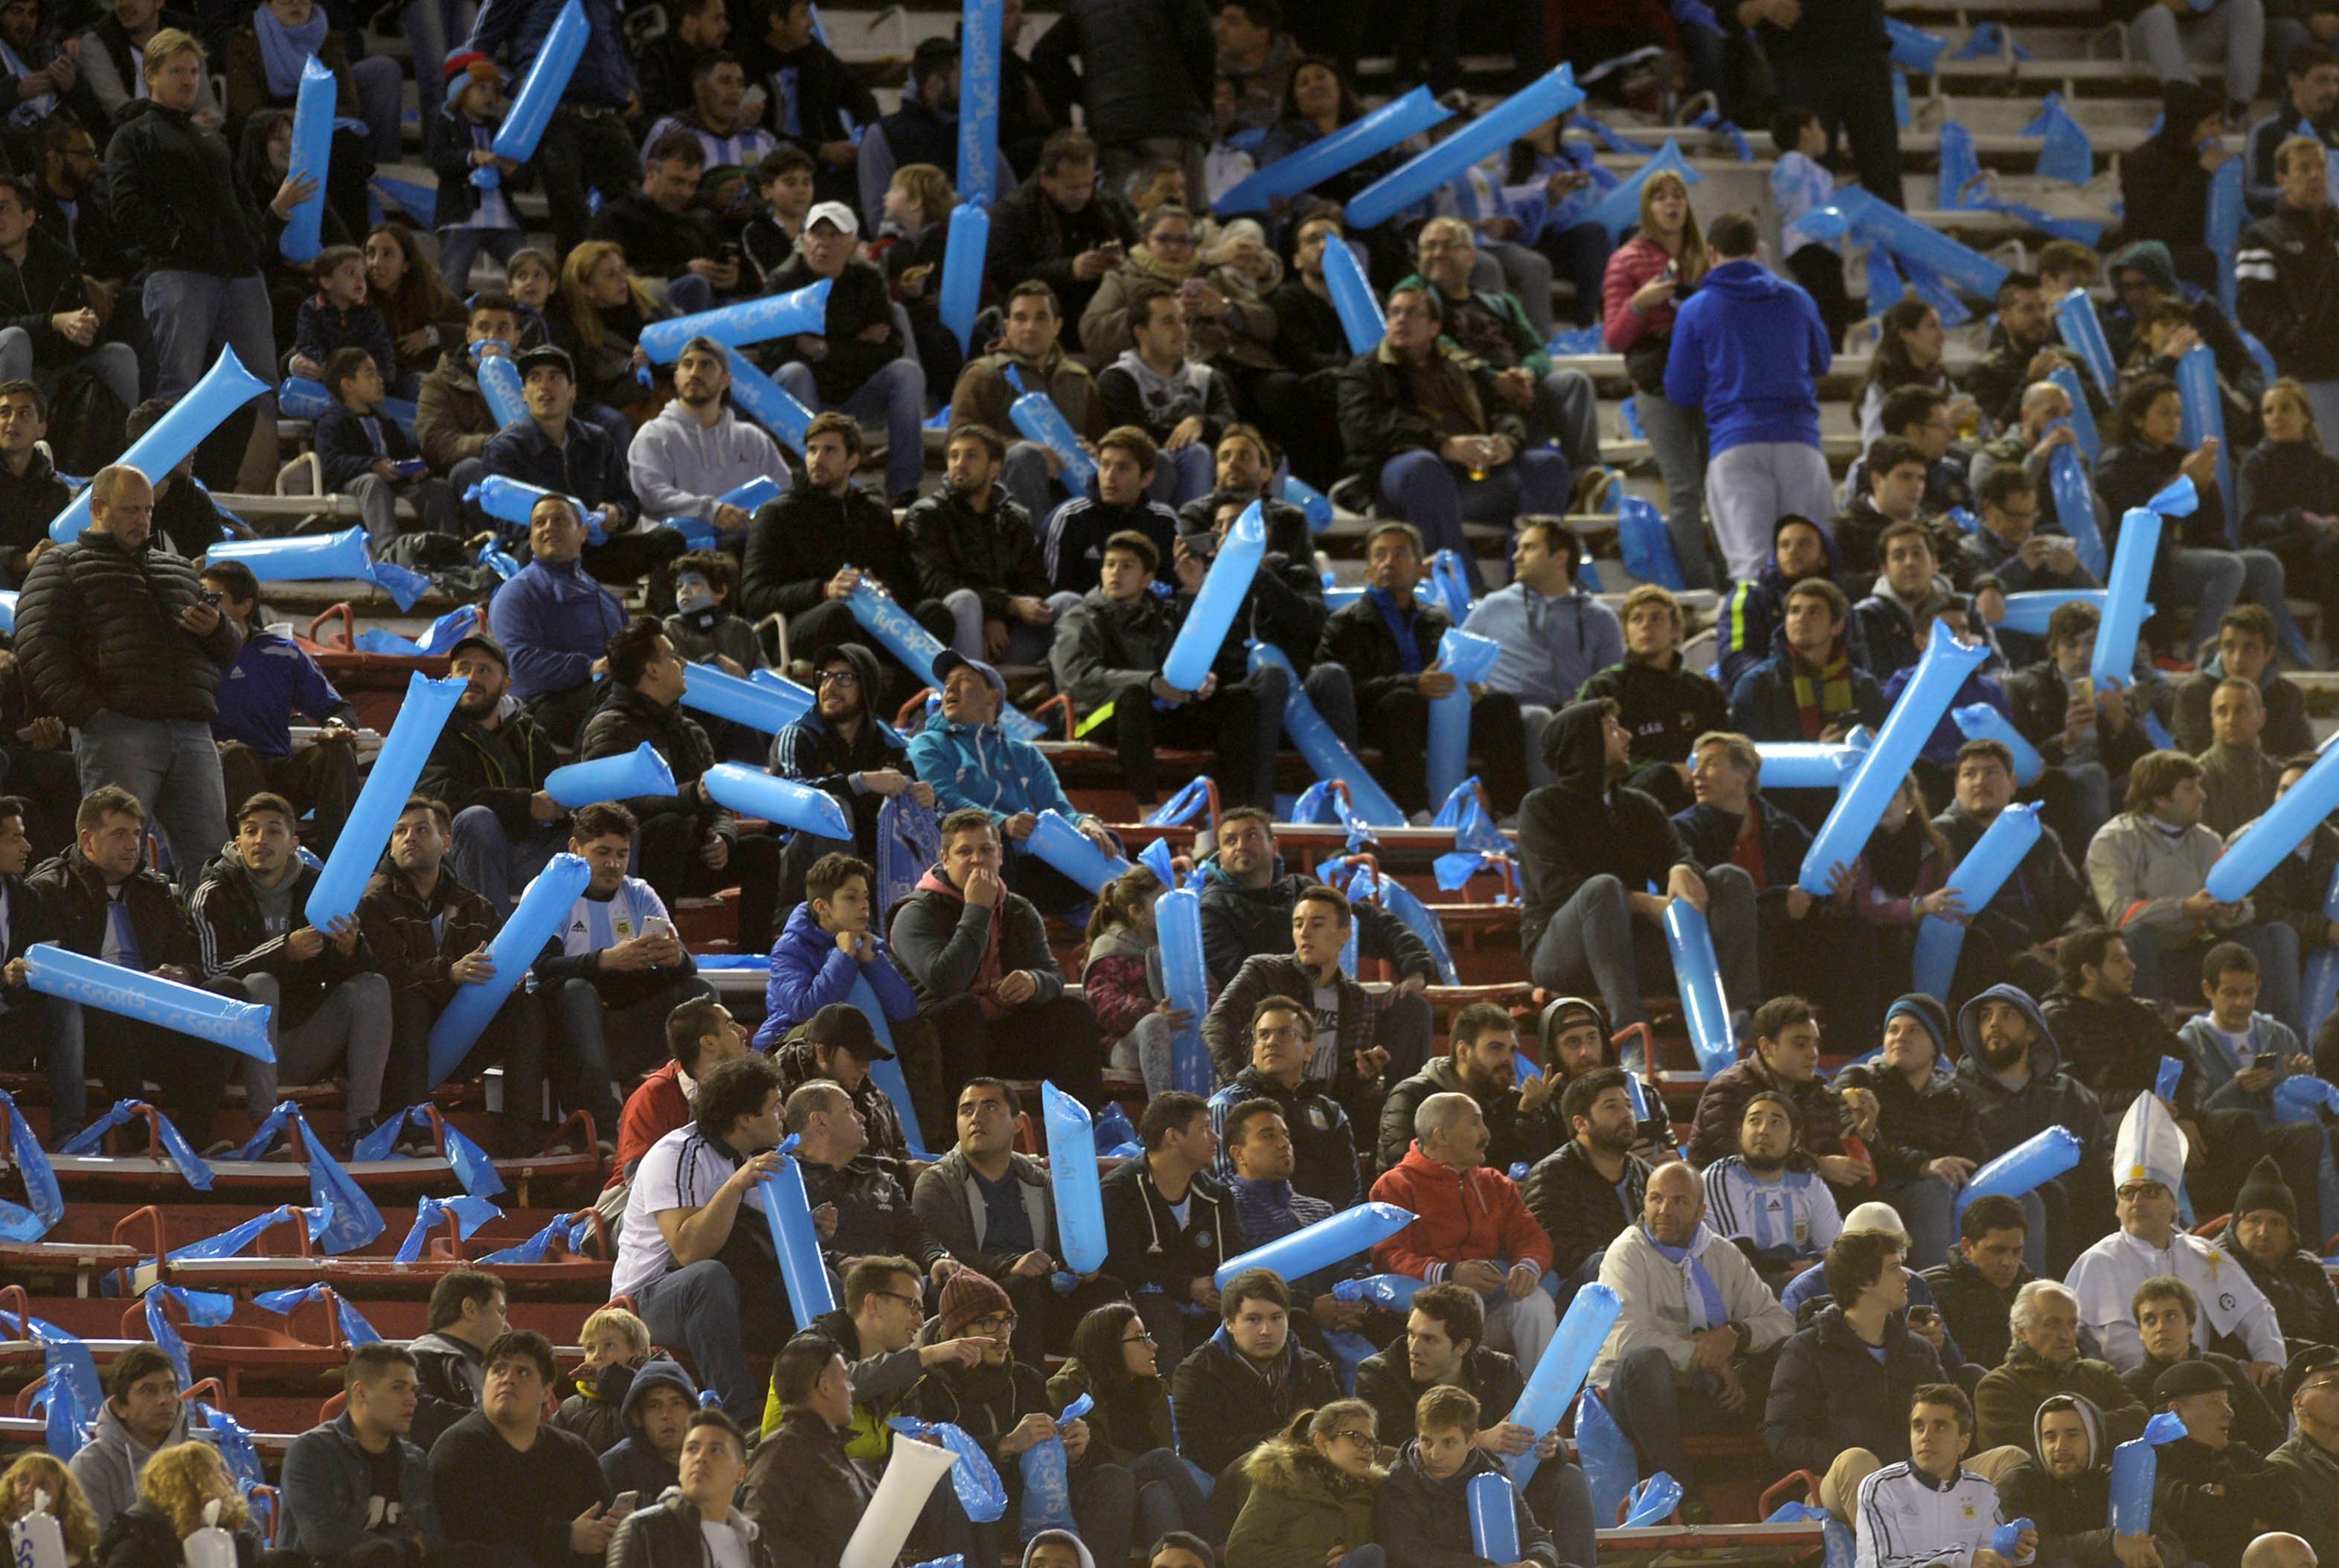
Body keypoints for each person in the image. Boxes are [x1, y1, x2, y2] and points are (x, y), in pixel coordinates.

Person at [16, 464, 237, 891]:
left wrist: (216, 629)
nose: (143, 520)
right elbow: (37, 646)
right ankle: (105, 950)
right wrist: (91, 713)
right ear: (98, 508)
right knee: (110, 855)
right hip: (117, 728)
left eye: (148, 510)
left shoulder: (176, 569)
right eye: (131, 509)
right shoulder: (60, 566)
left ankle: (207, 953)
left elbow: (227, 650)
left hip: (190, 730)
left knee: (212, 857)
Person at [1521, 699, 1761, 1059]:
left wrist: (1682, 868)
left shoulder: (1639, 805)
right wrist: (1643, 902)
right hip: (1563, 954)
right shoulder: (1542, 807)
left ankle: (1739, 1016)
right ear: (1584, 741)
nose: (1629, 736)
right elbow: (1557, 890)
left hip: (1631, 952)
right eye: (1614, 728)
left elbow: (1680, 855)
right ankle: (1630, 1036)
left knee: (1729, 879)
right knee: (1603, 888)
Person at [102, 28, 280, 494]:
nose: (188, 79)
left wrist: (251, 241)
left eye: (195, 70)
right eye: (177, 70)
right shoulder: (132, 135)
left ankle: (252, 499)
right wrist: (175, 240)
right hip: (179, 271)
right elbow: (123, 204)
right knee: (177, 384)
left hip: (239, 273)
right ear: (151, 75)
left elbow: (244, 200)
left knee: (263, 385)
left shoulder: (211, 138)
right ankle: (165, 494)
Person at [2044, 925, 2316, 1227]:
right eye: (2118, 960)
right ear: (2090, 972)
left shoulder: (2140, 1012)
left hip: (2167, 1113)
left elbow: (2190, 1068)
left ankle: (2244, 1231)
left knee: (2240, 1123)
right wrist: (2146, 1104)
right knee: (2143, 1128)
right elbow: (2071, 1092)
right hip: (2106, 1123)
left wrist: (2186, 1115)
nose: (2131, 967)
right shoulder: (2057, 1018)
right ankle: (2171, 1230)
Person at [1589, 1160, 1797, 1517]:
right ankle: (1685, 1494)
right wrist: (1705, 1357)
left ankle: (1780, 1486)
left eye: (1679, 1202)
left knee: (1788, 1352)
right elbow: (1628, 1340)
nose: (1664, 1210)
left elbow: (1781, 1321)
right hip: (1636, 1397)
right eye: (1656, 1199)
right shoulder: (1626, 1253)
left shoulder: (1723, 1254)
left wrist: (1736, 1335)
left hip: (1702, 1395)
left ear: (1701, 1211)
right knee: (1645, 1361)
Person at [31, 786, 234, 1148]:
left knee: (229, 992)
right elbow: (52, 975)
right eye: (119, 834)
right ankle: (142, 1136)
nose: (132, 845)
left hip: (150, 1022)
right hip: (90, 1033)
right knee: (103, 1004)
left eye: (138, 834)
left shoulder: (154, 890)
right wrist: (126, 986)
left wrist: (182, 974)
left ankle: (192, 1138)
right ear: (87, 840)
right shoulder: (51, 888)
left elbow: (193, 960)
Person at [1334, 282, 1570, 594]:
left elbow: (1505, 410)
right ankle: (1467, 591)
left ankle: (1527, 588)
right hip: (1402, 480)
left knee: (1547, 465)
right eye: (1394, 313)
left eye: (1412, 313)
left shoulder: (1463, 366)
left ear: (1435, 328)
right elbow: (1366, 428)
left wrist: (1506, 441)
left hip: (1473, 479)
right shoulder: (1365, 371)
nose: (1401, 320)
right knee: (1423, 467)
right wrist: (1443, 445)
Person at [191, 791, 391, 1139]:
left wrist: (349, 950)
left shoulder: (319, 889)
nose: (260, 840)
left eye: (273, 832)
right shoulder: (214, 891)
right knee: (260, 984)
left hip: (301, 1044)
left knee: (373, 985)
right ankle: (268, 1127)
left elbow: (347, 973)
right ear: (237, 843)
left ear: (294, 843)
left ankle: (363, 1125)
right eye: (251, 832)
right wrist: (284, 951)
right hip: (238, 1053)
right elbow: (213, 973)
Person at [907, 1268, 1140, 1567]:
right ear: (956, 1332)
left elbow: (1054, 1463)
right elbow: (931, 1461)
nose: (1002, 1333)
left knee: (1114, 1479)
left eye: (1007, 1321)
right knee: (975, 1498)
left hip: (1031, 1503)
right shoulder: (928, 1386)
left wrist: (1075, 1451)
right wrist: (1005, 1444)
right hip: (976, 1511)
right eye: (989, 1322)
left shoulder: (1025, 1379)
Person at [612, 1052, 793, 1424]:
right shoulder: (679, 1153)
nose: (784, 1115)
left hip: (722, 1301)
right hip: (645, 1299)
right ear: (745, 1118)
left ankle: (809, 1414)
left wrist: (813, 1225)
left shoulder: (747, 1157)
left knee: (822, 1284)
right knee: (708, 1278)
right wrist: (736, 1185)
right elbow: (689, 1250)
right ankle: (740, 1419)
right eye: (775, 1106)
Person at [577, 618, 778, 950]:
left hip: (692, 855)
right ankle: (660, 949)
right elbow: (613, 808)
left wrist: (725, 836)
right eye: (672, 656)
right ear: (652, 670)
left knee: (764, 851)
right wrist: (690, 797)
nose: (683, 663)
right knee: (672, 825)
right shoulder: (609, 726)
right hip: (636, 859)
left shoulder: (691, 731)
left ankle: (753, 955)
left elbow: (717, 800)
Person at [1050, 527, 1284, 809]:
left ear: (1148, 579)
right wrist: (1151, 682)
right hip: (1095, 716)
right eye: (1109, 565)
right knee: (1134, 695)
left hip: (1153, 718)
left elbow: (1184, 661)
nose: (1115, 573)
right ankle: (1147, 810)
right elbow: (1078, 677)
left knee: (1240, 701)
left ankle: (1231, 811)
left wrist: (1198, 679)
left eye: (1127, 566)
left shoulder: (1161, 618)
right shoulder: (1080, 618)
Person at [888, 806, 1105, 1104]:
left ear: (1000, 856)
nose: (977, 859)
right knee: (961, 1010)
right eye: (965, 852)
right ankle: (957, 1134)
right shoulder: (915, 913)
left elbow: (1052, 975)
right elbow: (944, 981)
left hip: (1001, 1035)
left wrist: (1034, 982)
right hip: (939, 1042)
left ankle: (1083, 1126)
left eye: (986, 850)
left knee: (1072, 1013)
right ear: (945, 859)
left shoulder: (1019, 909)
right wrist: (976, 909)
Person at [1664, 211, 1835, 582]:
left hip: (1735, 444)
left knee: (1750, 570)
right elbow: (1821, 361)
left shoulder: (1696, 308)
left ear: (1711, 254)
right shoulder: (1797, 298)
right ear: (1757, 250)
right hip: (1799, 442)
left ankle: (1752, 640)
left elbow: (1680, 389)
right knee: (1810, 567)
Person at [2067, 1092, 2287, 1377]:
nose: (2136, 1202)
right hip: (2122, 1394)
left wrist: (2271, 1364)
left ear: (2173, 1205)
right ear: (2117, 1208)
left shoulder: (2206, 1256)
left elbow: (2257, 1313)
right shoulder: (2093, 1263)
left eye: (2149, 1192)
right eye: (2128, 1193)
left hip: (2198, 1387)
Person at [2085, 751, 2303, 1033]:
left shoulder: (2208, 840)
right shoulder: (2113, 841)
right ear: (2160, 799)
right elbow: (2120, 914)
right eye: (2190, 789)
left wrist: (2232, 910)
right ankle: (2149, 1042)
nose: (2202, 796)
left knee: (2274, 935)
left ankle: (2283, 1043)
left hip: (2199, 956)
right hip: (2147, 961)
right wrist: (2185, 909)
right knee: (2135, 936)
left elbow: (2244, 905)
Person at [533, 802, 714, 1134]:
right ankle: (608, 1126)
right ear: (575, 848)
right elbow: (543, 968)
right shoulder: (550, 892)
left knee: (700, 992)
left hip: (623, 1026)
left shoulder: (639, 893)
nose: (613, 864)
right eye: (602, 852)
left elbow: (686, 963)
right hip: (564, 1034)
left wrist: (676, 959)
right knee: (577, 990)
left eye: (622, 853)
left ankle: (710, 1106)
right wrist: (605, 960)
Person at [739, 411, 953, 682]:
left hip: (870, 619)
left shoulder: (873, 511)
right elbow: (754, 596)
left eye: (830, 451)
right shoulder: (777, 513)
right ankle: (866, 708)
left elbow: (906, 581)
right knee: (836, 614)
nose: (817, 459)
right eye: (812, 450)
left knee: (935, 614)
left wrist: (885, 589)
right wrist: (824, 590)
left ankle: (902, 711)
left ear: (853, 460)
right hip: (801, 624)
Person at [916, 1078, 1115, 1367]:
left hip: (1036, 1294)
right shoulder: (937, 1182)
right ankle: (1030, 1401)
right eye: (966, 1110)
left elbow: (1060, 1247)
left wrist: (1079, 1266)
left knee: (1107, 1290)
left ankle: (1103, 1400)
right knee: (1020, 1287)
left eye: (990, 1107)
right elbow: (950, 1257)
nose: (976, 1118)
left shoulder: (1037, 1180)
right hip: (970, 1299)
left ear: (1018, 1123)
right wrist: (1010, 1265)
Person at [902, 652, 1118, 914]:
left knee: (1107, 844)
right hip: (969, 858)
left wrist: (1084, 822)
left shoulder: (1025, 754)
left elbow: (1059, 809)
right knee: (993, 846)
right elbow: (944, 797)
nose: (950, 688)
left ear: (993, 697)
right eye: (947, 683)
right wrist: (1002, 823)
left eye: (964, 680)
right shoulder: (927, 743)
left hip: (1029, 864)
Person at [1371, 1091, 1559, 1369]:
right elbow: (1388, 1256)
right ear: (1442, 1136)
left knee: (1535, 1302)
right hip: (1425, 1320)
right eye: (1475, 1123)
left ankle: (1543, 1407)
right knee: (1463, 1301)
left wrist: (1527, 1268)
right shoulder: (1395, 1186)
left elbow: (1531, 1236)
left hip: (1492, 1307)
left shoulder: (1494, 1183)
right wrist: (1449, 1273)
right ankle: (1462, 1404)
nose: (1486, 1133)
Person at [1201, 882, 1405, 1131]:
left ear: (1344, 934)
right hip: (1264, 1099)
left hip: (1320, 1108)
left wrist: (1365, 1075)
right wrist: (1245, 1088)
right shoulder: (1264, 971)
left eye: (1317, 925)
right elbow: (1215, 1024)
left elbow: (1346, 1087)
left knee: (1396, 1109)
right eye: (1298, 924)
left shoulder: (1358, 1000)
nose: (1305, 933)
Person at [481, 345, 680, 591]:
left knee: (669, 540)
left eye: (554, 377)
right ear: (524, 394)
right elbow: (508, 525)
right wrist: (565, 527)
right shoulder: (505, 448)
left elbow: (629, 502)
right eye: (535, 379)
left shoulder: (598, 439)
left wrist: (616, 514)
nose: (544, 386)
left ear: (573, 392)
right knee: (529, 553)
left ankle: (666, 622)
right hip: (543, 552)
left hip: (594, 551)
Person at [200, 559, 361, 858]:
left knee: (338, 753)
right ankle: (242, 864)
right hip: (219, 775)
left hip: (279, 773)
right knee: (235, 757)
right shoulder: (192, 654)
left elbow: (339, 708)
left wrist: (336, 726)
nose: (203, 606)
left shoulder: (281, 652)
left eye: (213, 599)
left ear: (245, 606)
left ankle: (340, 867)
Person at [428, 1328, 623, 1568]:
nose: (508, 1379)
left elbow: (600, 1521)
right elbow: (468, 1530)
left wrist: (612, 1528)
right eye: (498, 1370)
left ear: (546, 1391)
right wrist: (566, 1537)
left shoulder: (573, 1452)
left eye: (523, 1372)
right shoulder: (458, 1446)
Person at [1196, 807, 1437, 999]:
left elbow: (1373, 922)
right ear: (1220, 855)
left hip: (1326, 1009)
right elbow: (1241, 980)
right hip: (1261, 1024)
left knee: (1411, 1008)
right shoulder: (1212, 908)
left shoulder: (1301, 889)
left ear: (1274, 846)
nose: (1241, 846)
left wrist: (1415, 971)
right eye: (1230, 841)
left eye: (1251, 836)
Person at [1762, 1230, 1946, 1478]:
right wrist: (1850, 1458)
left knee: (2007, 1457)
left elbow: (1950, 1415)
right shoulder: (1806, 1350)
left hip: (1916, 1476)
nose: (1906, 1277)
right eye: (1894, 1269)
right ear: (1863, 1282)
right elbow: (1782, 1437)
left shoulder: (1919, 1350)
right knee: (1857, 1462)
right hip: (1837, 1482)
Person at [766, 641, 931, 911]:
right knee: (833, 809)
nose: (829, 687)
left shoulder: (892, 745)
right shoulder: (798, 735)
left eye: (843, 678)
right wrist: (861, 782)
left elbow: (910, 807)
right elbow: (789, 792)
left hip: (872, 864)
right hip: (798, 863)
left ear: (866, 687)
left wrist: (926, 802)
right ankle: (846, 921)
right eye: (824, 677)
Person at [1461, 520, 1624, 785]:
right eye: (1518, 548)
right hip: (1507, 715)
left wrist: (1588, 703)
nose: (1516, 556)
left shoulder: (1599, 618)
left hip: (1574, 714)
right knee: (1538, 718)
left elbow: (1615, 682)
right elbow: (1455, 663)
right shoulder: (1493, 607)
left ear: (1559, 558)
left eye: (1529, 548)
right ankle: (1546, 815)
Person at [1830, 995, 1985, 1273]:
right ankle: (1932, 1295)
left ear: (1936, 1045)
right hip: (1878, 1190)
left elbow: (1973, 1154)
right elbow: (1849, 1139)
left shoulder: (1955, 1095)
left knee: (2024, 1198)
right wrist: (1923, 1166)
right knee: (1932, 1191)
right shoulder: (1859, 1080)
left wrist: (1945, 1168)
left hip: (1945, 1190)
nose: (1900, 1038)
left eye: (1913, 1030)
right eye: (1894, 1029)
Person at [469, 0, 638, 254]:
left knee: (636, 210)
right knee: (574, 224)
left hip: (606, 114)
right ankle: (575, 291)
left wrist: (628, 84)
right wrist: (515, 85)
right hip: (552, 115)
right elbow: (475, 54)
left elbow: (614, 38)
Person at [417, 632, 566, 910]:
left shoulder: (528, 731)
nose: (472, 677)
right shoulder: (432, 728)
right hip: (458, 854)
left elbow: (553, 788)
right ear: (450, 678)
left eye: (484, 670)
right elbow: (436, 796)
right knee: (477, 820)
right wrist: (527, 805)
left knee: (609, 825)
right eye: (463, 668)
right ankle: (488, 940)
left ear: (506, 684)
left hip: (528, 854)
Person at [1047, 1301, 1214, 1546]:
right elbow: (1084, 1457)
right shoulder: (1067, 1386)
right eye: (1140, 1338)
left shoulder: (1154, 1389)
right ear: (1110, 1346)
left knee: (1159, 1492)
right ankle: (1217, 1547)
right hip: (1095, 1491)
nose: (1153, 1346)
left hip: (1144, 1488)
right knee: (1162, 1460)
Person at [1100, 1090, 1245, 1369]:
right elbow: (1120, 1266)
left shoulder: (1218, 1195)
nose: (1216, 1138)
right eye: (1205, 1129)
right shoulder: (1121, 1191)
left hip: (1209, 1305)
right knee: (1159, 1312)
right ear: (1173, 1136)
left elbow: (1236, 1256)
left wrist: (1222, 1292)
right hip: (1147, 1308)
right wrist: (1186, 1287)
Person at [908, 422, 1074, 666]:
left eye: (971, 456)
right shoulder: (927, 514)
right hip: (951, 633)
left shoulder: (1015, 517)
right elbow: (938, 585)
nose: (959, 464)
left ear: (994, 468)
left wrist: (1001, 617)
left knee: (1068, 602)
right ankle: (968, 691)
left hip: (1005, 636)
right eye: (954, 456)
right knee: (965, 600)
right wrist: (1006, 607)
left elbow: (1036, 584)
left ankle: (1068, 698)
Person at [950, 281, 1108, 527]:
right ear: (1007, 327)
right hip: (1003, 491)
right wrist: (1019, 446)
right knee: (1025, 457)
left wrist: (1096, 451)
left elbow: (1103, 438)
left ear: (1058, 326)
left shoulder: (1079, 379)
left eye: (1041, 318)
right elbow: (958, 438)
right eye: (1020, 318)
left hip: (1072, 486)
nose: (1030, 327)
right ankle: (1036, 554)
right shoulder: (984, 375)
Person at [278, 1342, 448, 1568]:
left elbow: (434, 1539)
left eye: (414, 1391)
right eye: (398, 1388)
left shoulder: (414, 1459)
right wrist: (405, 1548)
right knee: (379, 1556)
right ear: (360, 1393)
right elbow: (322, 1541)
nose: (412, 1400)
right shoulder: (312, 1451)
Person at [2003, 601, 2146, 855]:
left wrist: (2120, 723)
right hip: (2050, 779)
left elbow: (2143, 760)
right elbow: (2019, 760)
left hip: (2107, 775)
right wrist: (2065, 742)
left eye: (2091, 643)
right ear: (2053, 649)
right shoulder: (2024, 686)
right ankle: (2098, 867)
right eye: (2071, 645)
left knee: (2147, 781)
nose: (2081, 654)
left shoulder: (2113, 682)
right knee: (2093, 775)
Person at [486, 493, 628, 748]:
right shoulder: (518, 592)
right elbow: (519, 666)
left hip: (606, 692)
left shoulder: (606, 598)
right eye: (540, 523)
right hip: (544, 709)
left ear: (583, 533)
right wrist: (589, 668)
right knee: (626, 698)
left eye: (560, 520)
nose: (549, 527)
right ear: (531, 537)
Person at [1576, 584, 1730, 813]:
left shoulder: (1704, 690)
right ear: (1626, 634)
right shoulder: (1604, 689)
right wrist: (1669, 772)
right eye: (1637, 619)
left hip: (1699, 793)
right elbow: (1590, 760)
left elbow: (1725, 748)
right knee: (1662, 778)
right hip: (1625, 799)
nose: (1646, 625)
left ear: (1676, 632)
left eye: (1656, 618)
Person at [1374, 1385, 1562, 1568]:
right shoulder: (1399, 1482)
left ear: (1472, 1441)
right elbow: (1407, 1554)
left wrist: (1538, 1562)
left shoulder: (1491, 1473)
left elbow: (1534, 1535)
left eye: (1448, 1442)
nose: (1435, 1454)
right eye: (1427, 1441)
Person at [1852, 1387, 2036, 1568]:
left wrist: (2018, 1549)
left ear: (1963, 1443)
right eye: (1918, 1426)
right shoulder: (1881, 1488)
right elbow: (1881, 1565)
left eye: (1940, 1427)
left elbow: (1991, 1557)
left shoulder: (1982, 1490)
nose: (1926, 1436)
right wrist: (1959, 1559)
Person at [626, 337, 789, 542]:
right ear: (676, 377)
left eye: (706, 365)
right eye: (687, 365)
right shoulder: (654, 434)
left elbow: (785, 492)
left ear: (725, 381)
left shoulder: (752, 438)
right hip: (678, 552)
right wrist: (712, 511)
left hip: (744, 547)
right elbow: (651, 494)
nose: (694, 373)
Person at [1998, 1392, 2186, 1568]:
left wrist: (2151, 1552)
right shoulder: (2020, 1482)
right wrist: (2109, 1543)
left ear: (2094, 1439)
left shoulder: (2114, 1479)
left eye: (2072, 1435)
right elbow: (2032, 1550)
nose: (2060, 1446)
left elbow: (2172, 1545)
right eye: (2050, 1436)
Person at [1092, 283, 1237, 509]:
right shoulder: (1118, 379)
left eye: (1182, 320)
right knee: (1181, 457)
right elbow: (1133, 437)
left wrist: (1200, 423)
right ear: (1141, 332)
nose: (1181, 330)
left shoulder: (1205, 376)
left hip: (1196, 462)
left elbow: (1229, 422)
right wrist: (1184, 436)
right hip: (1140, 474)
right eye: (1169, 322)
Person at [2151, 1357, 2303, 1568]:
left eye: (2227, 1402)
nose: (2229, 1412)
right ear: (2177, 1412)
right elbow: (2186, 1507)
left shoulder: (2236, 1452)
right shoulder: (2152, 1459)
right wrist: (2250, 1521)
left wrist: (2226, 1489)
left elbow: (2290, 1494)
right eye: (2215, 1402)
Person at [1207, 996, 1360, 1206]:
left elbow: (1349, 1187)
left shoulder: (1330, 1112)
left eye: (1285, 1033)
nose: (1271, 1042)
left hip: (1327, 1228)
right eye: (1263, 1035)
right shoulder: (1229, 1104)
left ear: (1308, 1051)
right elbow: (1225, 1184)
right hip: (1259, 1229)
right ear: (1254, 1051)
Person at [739, 1339, 876, 1567]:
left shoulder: (829, 1449)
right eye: (846, 1378)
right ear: (825, 1386)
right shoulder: (784, 1452)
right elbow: (757, 1538)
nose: (852, 1389)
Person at [2237, 137, 2339, 440]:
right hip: (2309, 374)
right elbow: (2252, 308)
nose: (2315, 175)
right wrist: (2298, 337)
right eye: (2304, 168)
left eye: (2320, 166)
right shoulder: (2264, 237)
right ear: (2282, 180)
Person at [1974, 1280, 2150, 1454]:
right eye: (2053, 1324)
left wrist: (2066, 1429)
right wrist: (2095, 1428)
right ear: (2022, 1331)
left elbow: (2139, 1420)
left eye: (2072, 1324)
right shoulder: (1998, 1387)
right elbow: (2020, 1453)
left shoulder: (2098, 1373)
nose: (2066, 1336)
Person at [2125, 1274, 2290, 1455]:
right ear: (2140, 1331)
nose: (2160, 1327)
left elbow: (2269, 1434)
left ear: (2190, 1324)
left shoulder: (2224, 1369)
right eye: (2149, 1320)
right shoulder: (2129, 1387)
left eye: (2170, 1316)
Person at [1727, 575, 1889, 755]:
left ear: (1837, 625)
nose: (1801, 618)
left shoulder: (1863, 686)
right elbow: (1749, 762)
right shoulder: (1757, 685)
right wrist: (1818, 754)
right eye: (1794, 611)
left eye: (1814, 612)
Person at [1524, 1067, 1655, 1285]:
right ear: (1581, 1123)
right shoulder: (1551, 1174)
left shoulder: (1647, 1175)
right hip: (1581, 1292)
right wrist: (1632, 1259)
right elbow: (1559, 1254)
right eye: (1611, 1107)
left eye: (1629, 1105)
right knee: (1605, 1263)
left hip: (1646, 1280)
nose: (1626, 1114)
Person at [1702, 1090, 1846, 1290]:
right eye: (1754, 1121)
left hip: (1799, 1279)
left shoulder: (1808, 1183)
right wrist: (1796, 1271)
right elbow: (1738, 1253)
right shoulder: (1722, 1176)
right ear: (1739, 1131)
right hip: (1741, 1283)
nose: (1763, 1130)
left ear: (1795, 1138)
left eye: (1776, 1123)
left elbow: (1836, 1250)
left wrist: (1812, 1268)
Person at [0, 793, 80, 1140]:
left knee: (64, 1005)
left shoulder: (25, 896)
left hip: (9, 1022)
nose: (28, 847)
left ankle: (70, 1133)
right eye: (15, 838)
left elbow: (47, 951)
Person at [1222, 1399, 1385, 1568]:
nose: (1368, 1449)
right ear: (1322, 1442)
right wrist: (1322, 1562)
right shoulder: (1284, 1480)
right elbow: (1240, 1552)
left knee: (1373, 1553)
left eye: (1373, 1443)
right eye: (1356, 1437)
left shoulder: (1373, 1493)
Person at [612, 997, 747, 1185]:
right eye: (731, 1025)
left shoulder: (740, 1085)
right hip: (642, 1205)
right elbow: (637, 1176)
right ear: (708, 1042)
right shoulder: (654, 1095)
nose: (743, 1031)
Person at [1039, 423, 1181, 598]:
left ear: (1146, 478)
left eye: (1123, 468)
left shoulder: (1164, 520)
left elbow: (1172, 588)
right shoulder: (1069, 518)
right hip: (1081, 619)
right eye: (1105, 465)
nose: (1110, 476)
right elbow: (1052, 596)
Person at [610, 1407, 763, 1568]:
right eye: (692, 1448)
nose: (700, 1457)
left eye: (716, 1450)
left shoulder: (754, 1547)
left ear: (740, 1473)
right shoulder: (643, 1532)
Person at [2213, 1155, 2339, 1349]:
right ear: (2236, 1225)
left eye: (2276, 1223)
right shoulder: (2215, 1268)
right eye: (2254, 1220)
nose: (2263, 1233)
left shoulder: (2310, 1269)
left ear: (2291, 1233)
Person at [68, 1346, 189, 1532]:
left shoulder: (203, 1456)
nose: (164, 1400)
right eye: (149, 1391)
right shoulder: (90, 1465)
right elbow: (96, 1550)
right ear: (119, 1407)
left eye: (170, 1388)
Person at [93, 1443, 263, 1568]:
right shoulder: (138, 1545)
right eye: (216, 1474)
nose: (229, 1481)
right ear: (190, 1485)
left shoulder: (236, 1538)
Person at [2175, 606, 2313, 759]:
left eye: (2249, 648)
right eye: (2229, 647)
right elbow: (2201, 760)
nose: (2237, 659)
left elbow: (2304, 758)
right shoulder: (2194, 693)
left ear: (2268, 654)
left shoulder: (2289, 696)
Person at [409, 1268, 507, 1448]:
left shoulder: (495, 1368)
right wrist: (503, 1428)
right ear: (470, 1309)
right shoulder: (416, 1363)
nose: (507, 1326)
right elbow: (418, 1415)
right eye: (500, 1312)